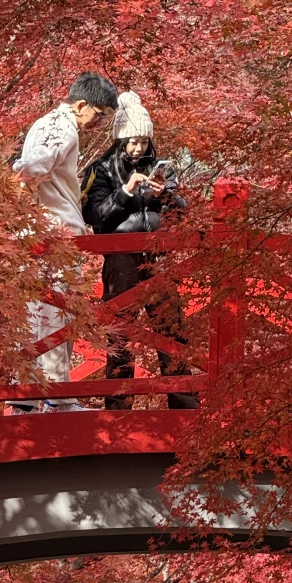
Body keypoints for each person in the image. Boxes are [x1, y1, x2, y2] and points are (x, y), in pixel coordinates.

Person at [82, 91, 196, 411]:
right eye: (132, 141)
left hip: (158, 257)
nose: (138, 148)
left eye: (144, 141)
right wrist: (125, 191)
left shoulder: (163, 170)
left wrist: (167, 196)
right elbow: (94, 215)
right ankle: (118, 410)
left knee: (172, 330)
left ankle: (185, 407)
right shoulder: (101, 169)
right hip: (120, 258)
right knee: (120, 333)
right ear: (120, 140)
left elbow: (182, 214)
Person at [13, 72, 118, 411]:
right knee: (57, 316)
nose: (99, 124)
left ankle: (25, 400)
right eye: (99, 115)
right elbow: (32, 166)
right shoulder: (64, 128)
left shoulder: (45, 123)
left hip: (38, 231)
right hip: (56, 234)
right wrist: (19, 181)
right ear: (81, 105)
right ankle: (58, 400)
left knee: (32, 317)